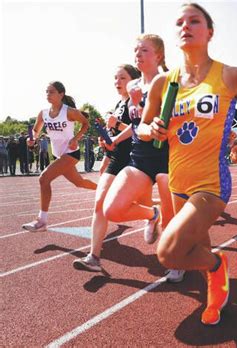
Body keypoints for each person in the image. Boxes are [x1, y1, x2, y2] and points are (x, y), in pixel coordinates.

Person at [137, 3, 237, 325]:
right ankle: (215, 290)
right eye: (179, 22)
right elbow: (142, 124)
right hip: (177, 181)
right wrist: (150, 128)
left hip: (211, 182)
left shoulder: (231, 75)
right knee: (197, 244)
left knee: (168, 253)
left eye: (194, 20)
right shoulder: (163, 83)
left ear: (209, 32)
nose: (185, 26)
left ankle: (216, 266)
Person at [102, 34, 184, 282]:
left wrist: (140, 103)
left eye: (144, 50)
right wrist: (115, 135)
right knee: (112, 210)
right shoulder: (132, 86)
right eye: (136, 50)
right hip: (139, 157)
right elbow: (136, 123)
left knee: (173, 218)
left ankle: (177, 260)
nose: (138, 54)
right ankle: (151, 214)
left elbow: (167, 118)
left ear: (158, 55)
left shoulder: (171, 82)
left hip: (167, 155)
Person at [73, 64, 141, 272]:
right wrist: (107, 140)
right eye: (115, 78)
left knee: (123, 207)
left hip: (134, 159)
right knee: (100, 204)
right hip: (115, 157)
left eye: (122, 78)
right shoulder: (119, 103)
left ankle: (153, 214)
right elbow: (116, 135)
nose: (117, 82)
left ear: (134, 80)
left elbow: (140, 127)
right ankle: (94, 257)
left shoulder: (137, 101)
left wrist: (118, 126)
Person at [22, 81, 97, 232]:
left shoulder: (69, 111)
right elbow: (35, 132)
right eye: (47, 92)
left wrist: (75, 139)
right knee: (80, 183)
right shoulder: (43, 113)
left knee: (44, 178)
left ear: (61, 94)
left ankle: (41, 221)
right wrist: (31, 140)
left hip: (70, 153)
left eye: (51, 92)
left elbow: (85, 123)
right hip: (58, 155)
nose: (48, 95)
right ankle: (105, 190)